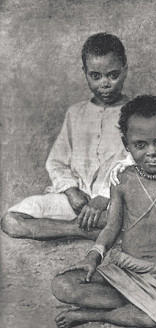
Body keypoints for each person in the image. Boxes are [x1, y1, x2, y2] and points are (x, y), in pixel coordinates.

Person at [51, 95, 156, 328]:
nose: (152, 152)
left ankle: (94, 315)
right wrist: (93, 256)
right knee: (62, 285)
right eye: (141, 145)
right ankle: (132, 303)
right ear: (126, 144)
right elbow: (112, 227)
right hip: (123, 271)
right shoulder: (122, 181)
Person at [1, 33, 131, 240]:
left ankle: (102, 226)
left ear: (125, 70)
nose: (104, 84)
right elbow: (57, 162)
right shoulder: (75, 113)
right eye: (95, 76)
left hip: (113, 203)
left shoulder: (136, 114)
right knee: (11, 220)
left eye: (113, 75)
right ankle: (80, 230)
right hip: (76, 202)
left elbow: (134, 164)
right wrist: (71, 191)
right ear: (85, 73)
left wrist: (104, 197)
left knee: (133, 220)